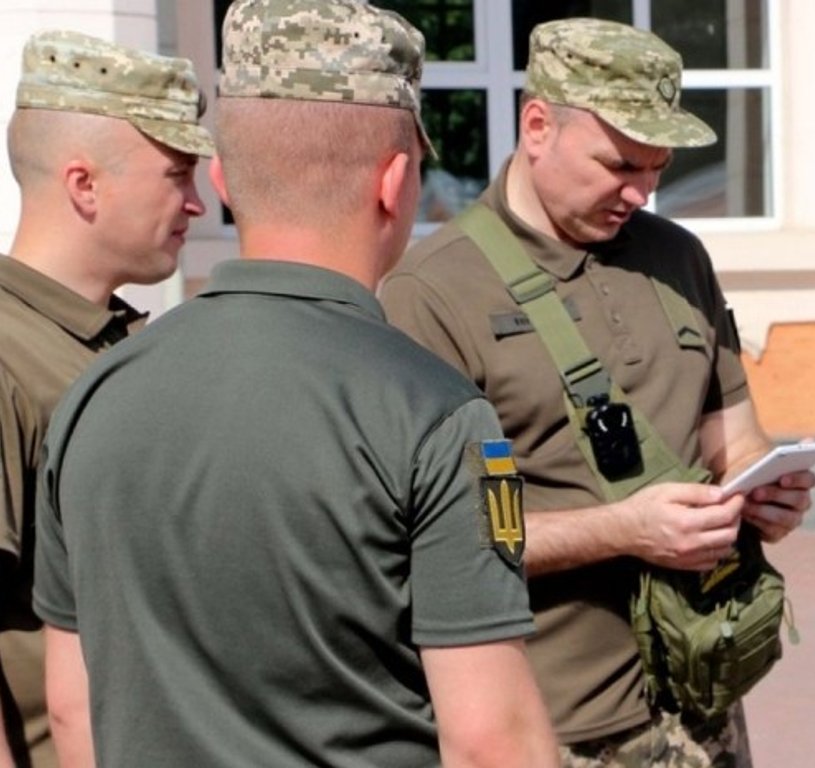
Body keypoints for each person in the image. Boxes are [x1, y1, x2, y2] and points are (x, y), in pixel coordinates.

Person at [31, 1, 557, 766]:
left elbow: (75, 712)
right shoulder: (436, 414)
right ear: (396, 180)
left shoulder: (96, 392)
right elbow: (492, 744)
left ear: (221, 179)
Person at [380, 17, 815, 767]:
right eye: (619, 164)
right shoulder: (433, 291)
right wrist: (623, 529)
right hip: (550, 728)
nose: (642, 192)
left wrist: (765, 488)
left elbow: (732, 435)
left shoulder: (678, 257)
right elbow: (431, 543)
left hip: (701, 703)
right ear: (538, 125)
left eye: (658, 168)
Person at [0, 30, 214, 768]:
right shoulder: (5, 353)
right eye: (177, 175)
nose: (198, 204)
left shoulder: (122, 345)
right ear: (84, 185)